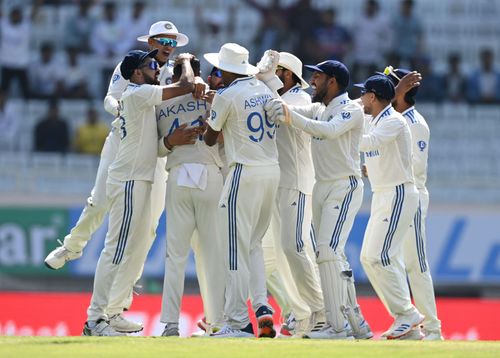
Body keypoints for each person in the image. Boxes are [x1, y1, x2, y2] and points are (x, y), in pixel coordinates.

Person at [44, 20, 198, 333]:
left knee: (147, 231)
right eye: (163, 39)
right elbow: (110, 98)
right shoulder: (134, 67)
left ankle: (117, 303)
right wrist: (121, 109)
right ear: (151, 41)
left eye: (173, 41)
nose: (169, 45)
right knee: (100, 201)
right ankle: (73, 246)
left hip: (154, 150)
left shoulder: (173, 72)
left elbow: (188, 94)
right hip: (124, 142)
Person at [82, 49, 202, 336]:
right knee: (117, 249)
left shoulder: (143, 95)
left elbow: (154, 145)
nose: (156, 67)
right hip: (129, 180)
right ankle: (95, 319)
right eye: (150, 64)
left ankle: (110, 313)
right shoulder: (139, 93)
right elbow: (185, 86)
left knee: (127, 248)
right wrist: (185, 62)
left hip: (138, 178)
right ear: (136, 73)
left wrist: (171, 141)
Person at [265, 60, 372, 340]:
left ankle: (335, 325)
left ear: (333, 81)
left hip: (343, 186)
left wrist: (287, 115)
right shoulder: (319, 108)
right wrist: (271, 96)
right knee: (329, 254)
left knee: (326, 251)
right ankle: (354, 320)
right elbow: (298, 113)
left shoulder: (351, 109)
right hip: (322, 186)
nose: (312, 80)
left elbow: (326, 131)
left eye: (318, 76)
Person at [203, 43, 280, 338]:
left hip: (243, 172)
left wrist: (214, 107)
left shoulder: (226, 95)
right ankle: (262, 307)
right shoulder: (264, 89)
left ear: (224, 69)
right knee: (254, 244)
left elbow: (211, 139)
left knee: (234, 248)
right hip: (271, 170)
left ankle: (237, 322)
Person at [156, 57, 225, 337]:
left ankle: (171, 324)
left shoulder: (161, 104)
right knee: (213, 255)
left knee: (175, 256)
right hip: (210, 176)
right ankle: (218, 322)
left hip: (178, 175)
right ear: (200, 75)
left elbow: (157, 150)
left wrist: (170, 142)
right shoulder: (216, 99)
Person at [354, 74, 423, 339]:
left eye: (363, 95)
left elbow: (368, 143)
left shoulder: (394, 120)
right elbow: (375, 152)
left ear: (372, 96)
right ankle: (405, 322)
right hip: (383, 194)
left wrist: (346, 128)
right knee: (368, 258)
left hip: (398, 194)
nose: (360, 99)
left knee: (381, 256)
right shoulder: (375, 120)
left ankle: (407, 313)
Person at [383, 67, 443, 340]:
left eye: (390, 86)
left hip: (413, 195)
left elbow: (415, 165)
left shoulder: (414, 122)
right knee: (391, 259)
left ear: (402, 91)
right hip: (396, 194)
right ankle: (411, 322)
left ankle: (432, 328)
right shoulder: (394, 118)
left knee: (416, 263)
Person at [267, 52, 324, 338]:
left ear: (287, 75)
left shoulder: (299, 100)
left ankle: (320, 310)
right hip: (279, 183)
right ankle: (301, 313)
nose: (271, 76)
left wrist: (259, 83)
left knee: (295, 247)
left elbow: (276, 110)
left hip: (297, 184)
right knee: (278, 253)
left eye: (275, 72)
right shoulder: (284, 98)